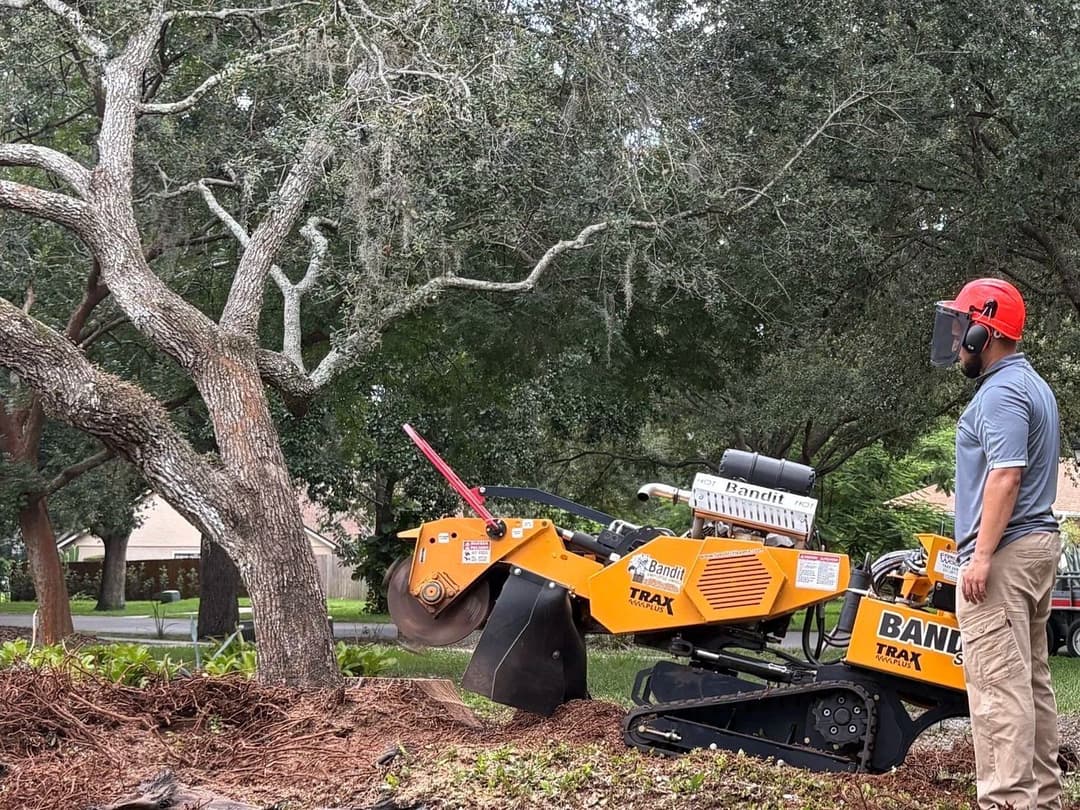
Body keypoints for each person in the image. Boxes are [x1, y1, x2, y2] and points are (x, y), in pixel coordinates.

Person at [930, 277, 1063, 810]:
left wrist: (980, 556)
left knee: (998, 691)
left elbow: (1006, 475)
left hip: (1005, 553)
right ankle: (1044, 799)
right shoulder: (1033, 384)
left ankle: (1008, 802)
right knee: (1029, 684)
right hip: (1034, 545)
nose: (957, 338)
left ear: (987, 333)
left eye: (963, 326)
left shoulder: (1003, 391)